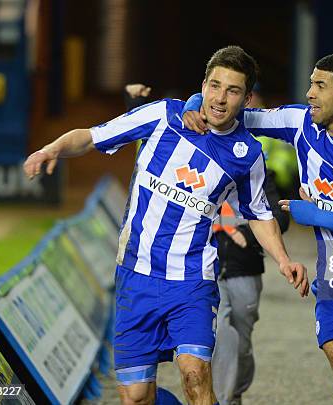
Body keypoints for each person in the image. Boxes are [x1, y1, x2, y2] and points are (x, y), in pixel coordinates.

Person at [23, 46, 308, 405]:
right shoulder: (162, 116)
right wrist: (52, 148)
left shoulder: (247, 153)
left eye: (232, 90)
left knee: (195, 375)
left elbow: (259, 212)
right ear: (203, 85)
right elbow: (92, 136)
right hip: (135, 274)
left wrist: (284, 260)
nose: (220, 98)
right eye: (215, 86)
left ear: (246, 98)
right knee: (137, 397)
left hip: (191, 279)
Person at [183, 53, 333, 405]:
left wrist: (312, 214)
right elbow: (230, 107)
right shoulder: (301, 123)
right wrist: (195, 103)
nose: (309, 93)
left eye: (319, 85)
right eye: (311, 83)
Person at [123, 82, 291, 405]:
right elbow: (149, 155)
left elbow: (272, 217)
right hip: (197, 269)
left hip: (242, 266)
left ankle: (233, 392)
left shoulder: (249, 161)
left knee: (239, 339)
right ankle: (225, 398)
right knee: (212, 345)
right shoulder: (188, 143)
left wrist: (245, 227)